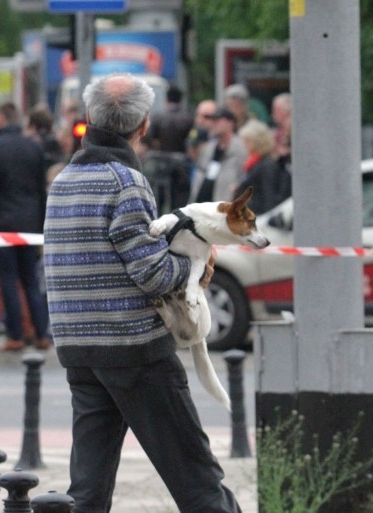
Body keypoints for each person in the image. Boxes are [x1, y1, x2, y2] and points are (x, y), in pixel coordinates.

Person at [43, 73, 243, 513]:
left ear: (89, 117)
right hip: (132, 348)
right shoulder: (125, 181)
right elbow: (152, 273)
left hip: (79, 348)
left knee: (88, 491)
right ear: (143, 125)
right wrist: (196, 265)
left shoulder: (62, 180)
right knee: (199, 483)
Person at [0, 102, 50, 352]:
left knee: (7, 279)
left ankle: (16, 335)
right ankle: (41, 335)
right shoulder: (34, 147)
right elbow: (41, 189)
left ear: (0, 118)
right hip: (29, 222)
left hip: (2, 222)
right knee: (30, 280)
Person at [192, 107, 248, 203]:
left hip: (225, 205)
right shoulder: (208, 148)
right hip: (202, 204)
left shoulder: (240, 148)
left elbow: (243, 176)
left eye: (217, 120)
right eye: (213, 120)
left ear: (230, 123)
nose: (213, 124)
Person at [235, 119, 291, 214]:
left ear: (258, 141)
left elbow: (269, 195)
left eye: (247, 141)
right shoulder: (253, 162)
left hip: (260, 216)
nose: (244, 145)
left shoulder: (267, 165)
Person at [145, 85, 195, 153]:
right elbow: (193, 139)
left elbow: (147, 138)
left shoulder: (157, 118)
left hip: (161, 157)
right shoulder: (188, 119)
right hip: (182, 158)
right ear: (180, 100)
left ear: (166, 99)